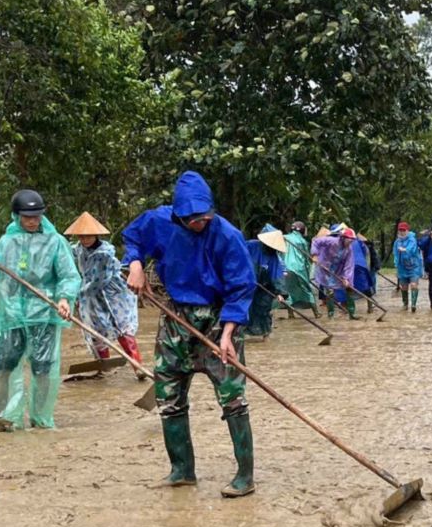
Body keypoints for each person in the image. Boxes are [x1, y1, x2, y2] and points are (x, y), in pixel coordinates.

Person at [123, 171, 257, 498]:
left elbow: (242, 287)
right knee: (168, 392)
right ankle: (182, 470)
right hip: (176, 316)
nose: (199, 223)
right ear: (178, 214)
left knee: (232, 395)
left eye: (204, 217)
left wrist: (228, 333)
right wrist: (136, 264)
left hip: (217, 317)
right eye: (191, 219)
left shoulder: (227, 235)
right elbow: (133, 238)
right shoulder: (159, 221)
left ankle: (245, 476)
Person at [0, 190, 81, 431]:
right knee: (4, 362)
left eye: (37, 216)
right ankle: (3, 416)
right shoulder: (6, 242)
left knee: (43, 365)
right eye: (27, 216)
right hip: (11, 315)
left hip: (44, 312)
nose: (33, 221)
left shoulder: (55, 242)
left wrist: (64, 298)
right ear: (16, 216)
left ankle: (40, 418)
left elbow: (69, 275)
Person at [65, 212, 144, 380]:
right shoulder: (78, 249)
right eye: (81, 236)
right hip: (90, 294)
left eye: (88, 236)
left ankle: (137, 366)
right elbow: (64, 250)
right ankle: (104, 364)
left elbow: (98, 281)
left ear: (96, 235)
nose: (85, 240)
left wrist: (76, 294)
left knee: (122, 327)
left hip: (112, 293)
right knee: (95, 329)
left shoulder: (104, 254)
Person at [245, 224, 287, 340]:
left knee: (263, 309)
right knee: (247, 309)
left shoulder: (273, 256)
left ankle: (266, 334)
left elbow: (276, 274)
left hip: (265, 286)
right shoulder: (251, 245)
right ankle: (243, 334)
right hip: (248, 284)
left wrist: (280, 292)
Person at [311, 226, 357, 319]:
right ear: (343, 238)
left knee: (349, 288)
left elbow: (349, 264)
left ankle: (352, 314)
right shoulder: (331, 241)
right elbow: (316, 241)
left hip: (338, 270)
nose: (351, 241)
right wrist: (315, 254)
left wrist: (346, 278)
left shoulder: (349, 249)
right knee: (330, 291)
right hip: (326, 268)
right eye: (349, 239)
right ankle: (330, 315)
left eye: (352, 240)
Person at [283, 222, 320, 318]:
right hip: (299, 269)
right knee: (306, 289)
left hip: (286, 268)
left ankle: (290, 314)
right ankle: (316, 313)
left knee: (289, 290)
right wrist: (308, 272)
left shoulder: (284, 238)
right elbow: (306, 258)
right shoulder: (303, 241)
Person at [392, 222, 424, 312]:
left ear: (407, 230)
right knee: (404, 286)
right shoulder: (397, 242)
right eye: (400, 230)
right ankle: (405, 304)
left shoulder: (412, 239)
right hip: (402, 267)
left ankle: (413, 305)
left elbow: (412, 249)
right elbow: (395, 254)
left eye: (404, 230)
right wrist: (396, 265)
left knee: (414, 285)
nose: (402, 232)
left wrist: (405, 250)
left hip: (414, 266)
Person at [360, 234, 382, 314]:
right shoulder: (361, 247)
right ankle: (370, 296)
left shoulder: (369, 246)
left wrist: (377, 266)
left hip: (371, 267)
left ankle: (372, 293)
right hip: (366, 267)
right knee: (369, 282)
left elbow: (374, 257)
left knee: (372, 281)